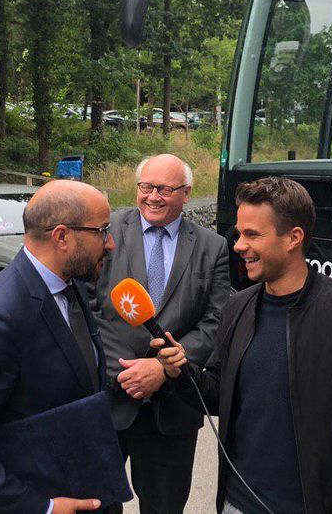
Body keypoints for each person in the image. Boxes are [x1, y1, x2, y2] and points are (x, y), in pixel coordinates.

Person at [153, 177, 332, 514]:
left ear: (293, 238)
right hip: (236, 503)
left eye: (252, 235)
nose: (237, 245)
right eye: (239, 234)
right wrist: (181, 372)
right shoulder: (237, 307)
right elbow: (219, 394)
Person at [0, 180, 114, 514]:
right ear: (62, 237)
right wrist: (42, 507)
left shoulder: (70, 285)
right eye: (102, 231)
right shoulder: (0, 319)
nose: (111, 243)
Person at [92, 154, 229, 514]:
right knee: (95, 505)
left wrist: (163, 369)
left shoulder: (212, 247)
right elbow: (87, 310)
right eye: (146, 187)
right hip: (108, 398)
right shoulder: (106, 234)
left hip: (173, 409)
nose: (153, 196)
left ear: (186, 193)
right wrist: (124, 372)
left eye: (165, 189)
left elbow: (216, 321)